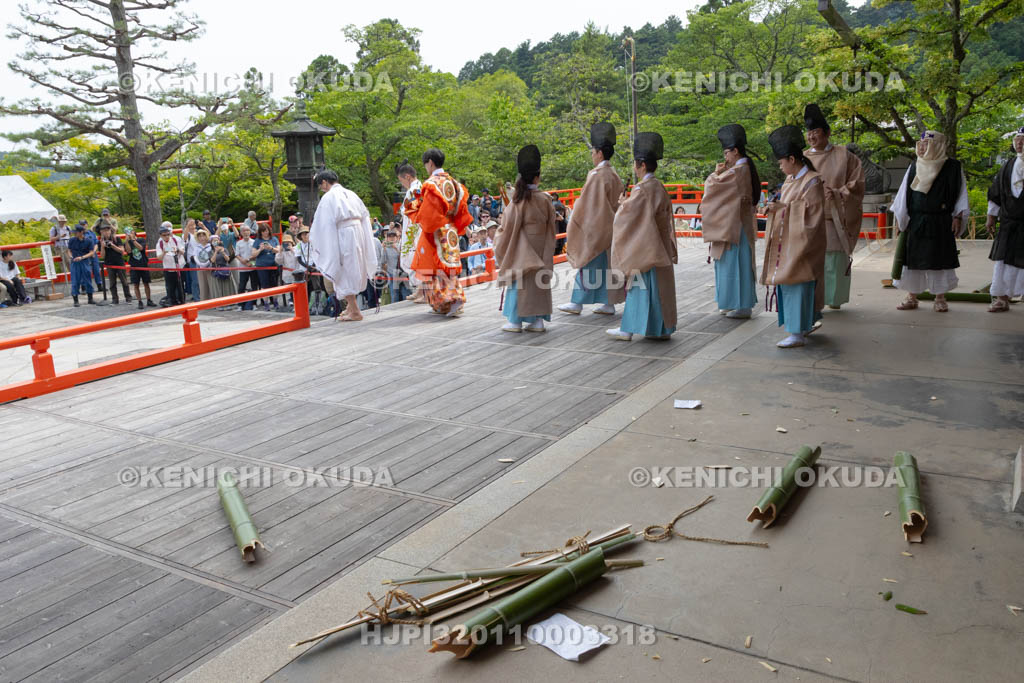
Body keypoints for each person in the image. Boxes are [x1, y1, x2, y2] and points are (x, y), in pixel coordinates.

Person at [605, 133, 677, 341]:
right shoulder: (659, 186)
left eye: (636, 165)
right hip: (660, 244)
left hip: (645, 247)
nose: (635, 169)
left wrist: (622, 205)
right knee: (660, 289)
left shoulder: (642, 189)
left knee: (639, 286)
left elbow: (627, 217)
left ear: (642, 165)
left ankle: (628, 329)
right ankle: (661, 328)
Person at [760, 125, 827, 348]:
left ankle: (797, 332)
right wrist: (776, 207)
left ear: (791, 158)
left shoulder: (812, 181)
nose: (780, 168)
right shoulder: (791, 179)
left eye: (781, 163)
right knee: (790, 283)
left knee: (796, 282)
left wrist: (783, 209)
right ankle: (801, 327)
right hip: (788, 240)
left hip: (802, 242)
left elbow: (812, 215)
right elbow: (789, 206)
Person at [891, 130, 969, 313]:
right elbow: (903, 196)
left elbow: (961, 195)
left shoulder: (953, 167)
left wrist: (958, 216)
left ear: (938, 146)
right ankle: (911, 296)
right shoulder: (914, 166)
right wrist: (900, 220)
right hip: (917, 220)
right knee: (914, 260)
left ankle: (940, 298)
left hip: (941, 220)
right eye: (921, 143)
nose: (922, 147)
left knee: (939, 260)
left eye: (927, 143)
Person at [558, 122, 626, 315]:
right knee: (608, 266)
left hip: (595, 227)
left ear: (599, 153)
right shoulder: (613, 174)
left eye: (593, 151)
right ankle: (608, 303)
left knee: (587, 262)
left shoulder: (597, 175)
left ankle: (577, 302)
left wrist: (577, 219)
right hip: (611, 225)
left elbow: (589, 205)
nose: (592, 155)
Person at [803, 104, 865, 310]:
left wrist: (838, 193)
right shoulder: (803, 158)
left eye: (816, 132)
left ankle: (833, 299)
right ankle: (815, 298)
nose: (812, 136)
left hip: (835, 215)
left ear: (827, 133)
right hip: (810, 215)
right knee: (812, 258)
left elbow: (857, 183)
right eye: (809, 132)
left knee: (834, 257)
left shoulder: (844, 155)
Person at [494, 145, 557, 333]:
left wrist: (500, 239)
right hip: (541, 245)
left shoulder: (518, 200)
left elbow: (507, 228)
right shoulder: (545, 199)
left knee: (519, 282)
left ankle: (515, 320)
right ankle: (537, 320)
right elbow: (552, 227)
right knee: (538, 282)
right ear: (538, 176)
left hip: (521, 247)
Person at [700, 123, 759, 319]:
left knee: (736, 265)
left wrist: (715, 174)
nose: (725, 158)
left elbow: (712, 187)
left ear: (735, 151)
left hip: (735, 226)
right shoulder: (742, 169)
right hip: (734, 224)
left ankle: (741, 305)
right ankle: (732, 302)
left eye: (727, 153)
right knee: (731, 264)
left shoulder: (737, 171)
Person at [407, 148, 473, 317]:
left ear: (430, 162)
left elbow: (429, 213)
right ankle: (443, 304)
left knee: (436, 267)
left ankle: (451, 300)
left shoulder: (432, 184)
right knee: (449, 267)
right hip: (450, 229)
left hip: (437, 230)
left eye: (426, 165)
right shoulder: (453, 182)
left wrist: (415, 209)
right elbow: (461, 207)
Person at [309, 168, 379, 322]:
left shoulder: (329, 197)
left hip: (343, 234)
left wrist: (319, 240)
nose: (321, 189)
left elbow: (324, 224)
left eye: (321, 186)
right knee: (354, 267)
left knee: (344, 269)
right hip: (358, 232)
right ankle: (350, 307)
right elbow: (365, 215)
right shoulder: (351, 194)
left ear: (325, 183)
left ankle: (354, 310)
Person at [984, 127, 1024, 312]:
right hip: (1008, 223)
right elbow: (995, 194)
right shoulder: (1007, 165)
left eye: (1023, 139)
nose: (1019, 143)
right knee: (1003, 262)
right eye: (1017, 139)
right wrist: (991, 216)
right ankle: (1001, 298)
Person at [395, 160, 425, 304]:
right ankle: (419, 290)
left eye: (402, 181)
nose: (402, 184)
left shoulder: (415, 190)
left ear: (407, 176)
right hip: (412, 229)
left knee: (415, 259)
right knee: (412, 260)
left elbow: (415, 214)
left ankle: (422, 292)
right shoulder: (415, 189)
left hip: (415, 230)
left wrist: (412, 235)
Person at [98, 223, 132, 304]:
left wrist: (112, 245)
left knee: (124, 281)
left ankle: (128, 297)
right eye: (104, 231)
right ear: (101, 232)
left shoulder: (116, 239)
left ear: (110, 231)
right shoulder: (100, 241)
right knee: (112, 283)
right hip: (109, 263)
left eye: (107, 230)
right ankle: (115, 299)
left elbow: (122, 251)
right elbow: (102, 256)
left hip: (119, 262)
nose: (106, 232)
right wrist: (102, 247)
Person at [155, 222, 186, 306]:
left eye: (168, 234)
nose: (167, 236)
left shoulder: (176, 239)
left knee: (181, 285)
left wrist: (177, 250)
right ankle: (172, 302)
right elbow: (159, 257)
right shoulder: (160, 244)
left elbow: (183, 251)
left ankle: (182, 301)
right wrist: (164, 252)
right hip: (168, 268)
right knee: (170, 287)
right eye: (164, 235)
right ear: (161, 235)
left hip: (179, 266)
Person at [124, 227, 156, 309]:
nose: (130, 233)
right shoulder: (127, 242)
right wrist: (127, 241)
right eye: (127, 232)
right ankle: (139, 301)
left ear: (134, 232)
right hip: (134, 265)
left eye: (131, 231)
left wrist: (133, 240)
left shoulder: (141, 240)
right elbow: (129, 251)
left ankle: (149, 299)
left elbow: (141, 248)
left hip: (143, 264)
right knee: (136, 284)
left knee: (146, 283)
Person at [252, 224, 281, 310]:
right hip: (262, 266)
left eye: (267, 231)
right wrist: (260, 249)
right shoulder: (257, 241)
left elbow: (279, 250)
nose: (266, 233)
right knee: (264, 285)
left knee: (274, 284)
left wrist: (271, 248)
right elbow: (253, 254)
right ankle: (266, 303)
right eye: (263, 231)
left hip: (273, 264)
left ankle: (275, 301)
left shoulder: (274, 239)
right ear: (260, 232)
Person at [68, 223, 97, 307]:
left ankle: (90, 298)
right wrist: (70, 256)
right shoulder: (72, 240)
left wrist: (82, 257)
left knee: (87, 279)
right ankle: (75, 300)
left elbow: (91, 252)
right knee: (75, 280)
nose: (74, 233)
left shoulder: (88, 240)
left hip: (84, 261)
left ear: (81, 232)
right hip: (75, 262)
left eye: (76, 232)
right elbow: (69, 250)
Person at [382, 229, 410, 303]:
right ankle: (395, 312)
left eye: (393, 236)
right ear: (387, 238)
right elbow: (382, 261)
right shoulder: (385, 248)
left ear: (397, 237)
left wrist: (396, 249)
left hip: (403, 273)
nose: (392, 238)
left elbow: (405, 258)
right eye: (390, 236)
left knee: (406, 293)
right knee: (394, 295)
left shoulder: (401, 246)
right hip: (392, 274)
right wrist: (383, 249)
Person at [235, 225, 258, 310]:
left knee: (254, 285)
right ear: (241, 233)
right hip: (242, 267)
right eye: (244, 231)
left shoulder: (254, 242)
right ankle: (241, 305)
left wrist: (250, 263)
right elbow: (237, 255)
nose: (246, 232)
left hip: (253, 266)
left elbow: (255, 255)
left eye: (247, 230)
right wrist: (243, 261)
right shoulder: (238, 243)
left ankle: (254, 304)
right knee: (241, 286)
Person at [207, 235, 236, 301]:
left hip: (225, 270)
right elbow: (212, 261)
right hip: (216, 272)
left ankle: (229, 302)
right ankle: (219, 304)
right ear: (211, 242)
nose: (216, 242)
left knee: (227, 288)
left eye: (217, 240)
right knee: (218, 289)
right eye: (214, 240)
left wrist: (222, 252)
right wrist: (216, 251)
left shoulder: (224, 249)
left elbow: (228, 259)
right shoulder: (210, 252)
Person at [181, 218, 200, 301]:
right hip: (193, 260)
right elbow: (184, 239)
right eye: (190, 225)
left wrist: (202, 226)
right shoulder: (187, 234)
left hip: (202, 259)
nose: (192, 227)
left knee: (202, 279)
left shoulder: (199, 233)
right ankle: (196, 297)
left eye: (193, 224)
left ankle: (203, 295)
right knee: (195, 280)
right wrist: (188, 226)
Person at [49, 214, 72, 278]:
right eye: (61, 221)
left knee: (71, 259)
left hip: (68, 246)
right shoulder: (54, 229)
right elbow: (51, 239)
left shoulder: (68, 228)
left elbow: (70, 235)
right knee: (66, 261)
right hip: (59, 247)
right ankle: (70, 275)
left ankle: (72, 275)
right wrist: (59, 236)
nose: (62, 222)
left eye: (63, 221)